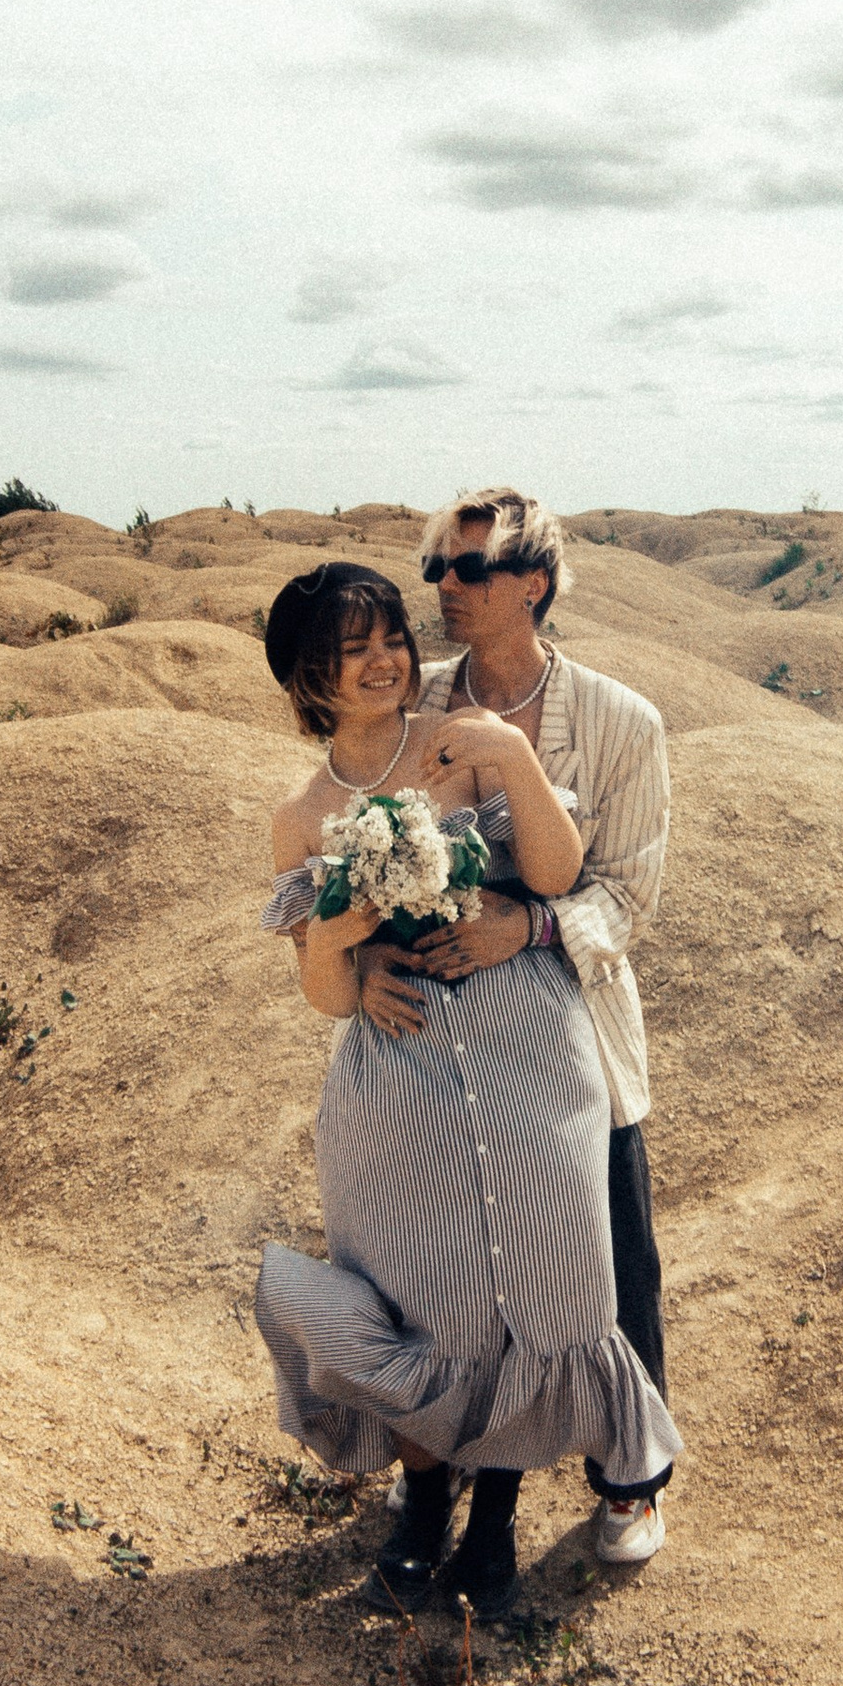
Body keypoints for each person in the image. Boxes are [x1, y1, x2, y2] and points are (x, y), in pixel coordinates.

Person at [252, 560, 680, 1622]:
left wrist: (519, 766)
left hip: (525, 1051)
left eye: (388, 637)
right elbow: (324, 998)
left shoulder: (464, 741)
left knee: (531, 1290)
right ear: (307, 682)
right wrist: (348, 942)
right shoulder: (299, 816)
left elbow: (550, 873)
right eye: (349, 652)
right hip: (394, 1083)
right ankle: (420, 1502)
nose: (382, 661)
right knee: (412, 1293)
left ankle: (493, 1520)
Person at [363, 485, 676, 1575]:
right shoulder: (417, 710)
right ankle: (438, 1468)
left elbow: (627, 901)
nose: (441, 590)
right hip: (439, 1041)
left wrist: (527, 928)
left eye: (466, 570)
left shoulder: (621, 723)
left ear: (531, 582)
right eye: (437, 571)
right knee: (446, 1261)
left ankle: (629, 1480)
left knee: (606, 1256)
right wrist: (358, 965)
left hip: (573, 1033)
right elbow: (355, 847)